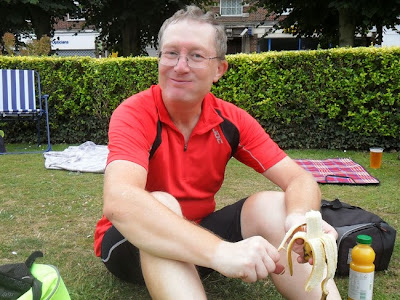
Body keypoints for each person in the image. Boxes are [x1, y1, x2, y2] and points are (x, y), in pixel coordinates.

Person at [94, 5, 341, 299]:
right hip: (131, 244)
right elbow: (120, 202)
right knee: (161, 202)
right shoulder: (135, 112)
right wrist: (221, 251)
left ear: (219, 70)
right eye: (171, 53)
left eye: (196, 55)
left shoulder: (230, 120)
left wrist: (299, 218)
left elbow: (299, 179)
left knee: (274, 205)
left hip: (199, 241)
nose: (180, 66)